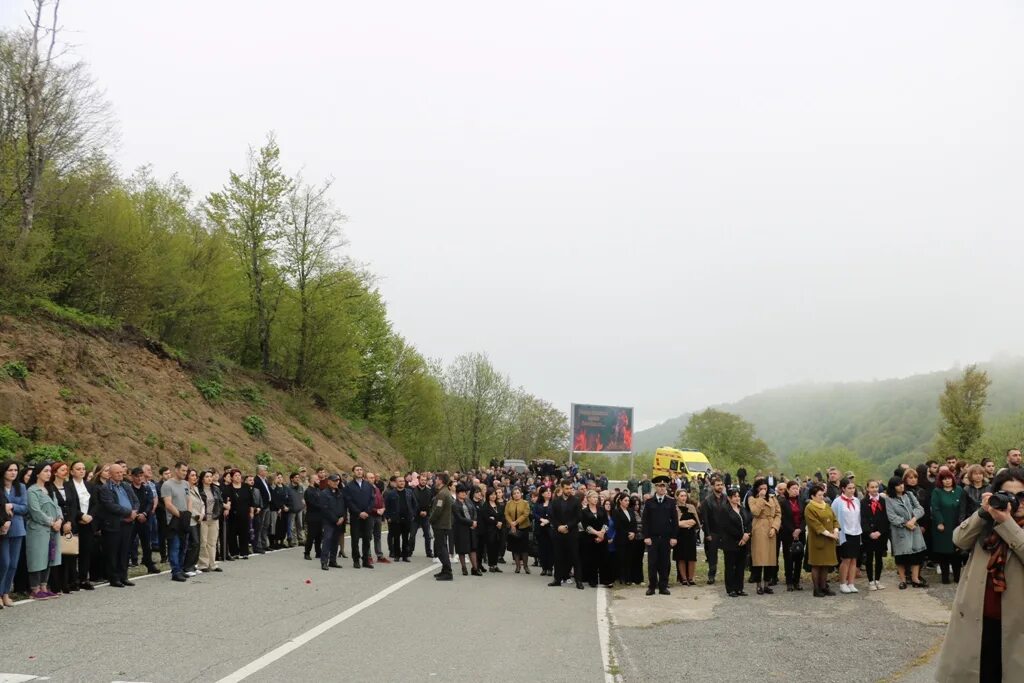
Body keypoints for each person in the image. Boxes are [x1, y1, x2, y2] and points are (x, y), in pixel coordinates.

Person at [935, 467, 1024, 682]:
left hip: (1016, 626)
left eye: (1022, 495)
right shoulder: (986, 523)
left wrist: (1007, 523)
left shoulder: (1007, 525)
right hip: (979, 621)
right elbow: (959, 540)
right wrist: (982, 512)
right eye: (1009, 495)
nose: (1017, 501)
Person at [98, 463, 139, 588]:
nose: (120, 475)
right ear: (110, 474)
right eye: (117, 473)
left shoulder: (126, 486)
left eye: (122, 472)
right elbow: (110, 506)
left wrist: (134, 512)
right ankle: (114, 578)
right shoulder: (105, 489)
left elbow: (135, 501)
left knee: (124, 551)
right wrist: (129, 512)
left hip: (128, 523)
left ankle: (123, 576)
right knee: (113, 552)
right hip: (114, 524)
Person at [25, 463, 63, 600]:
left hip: (53, 530)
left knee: (49, 557)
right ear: (37, 473)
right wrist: (51, 522)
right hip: (38, 530)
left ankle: (44, 587)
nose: (48, 473)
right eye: (45, 471)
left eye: (49, 471)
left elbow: (57, 507)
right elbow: (35, 511)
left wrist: (59, 520)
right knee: (37, 558)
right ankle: (35, 589)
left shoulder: (49, 489)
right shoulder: (32, 491)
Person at [885, 475, 927, 589]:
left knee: (916, 554)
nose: (901, 486)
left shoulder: (909, 495)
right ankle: (903, 580)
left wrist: (913, 520)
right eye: (898, 485)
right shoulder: (889, 500)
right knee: (901, 557)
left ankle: (915, 579)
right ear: (893, 487)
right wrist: (905, 523)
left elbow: (920, 509)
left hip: (914, 529)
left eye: (902, 483)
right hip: (900, 531)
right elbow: (892, 517)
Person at [642, 475, 679, 596]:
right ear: (655, 487)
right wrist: (646, 536)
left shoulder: (671, 502)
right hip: (652, 538)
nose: (662, 488)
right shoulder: (649, 502)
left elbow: (675, 521)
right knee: (652, 563)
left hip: (666, 538)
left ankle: (663, 586)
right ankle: (652, 586)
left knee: (665, 563)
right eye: (659, 486)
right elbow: (645, 521)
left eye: (664, 486)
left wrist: (674, 537)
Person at [747, 478, 781, 595]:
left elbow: (778, 513)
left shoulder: (773, 498)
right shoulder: (752, 499)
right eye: (761, 488)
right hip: (759, 527)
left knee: (770, 558)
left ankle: (767, 583)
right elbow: (755, 512)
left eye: (765, 488)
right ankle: (758, 585)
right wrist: (761, 499)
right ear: (757, 489)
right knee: (759, 558)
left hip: (771, 528)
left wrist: (775, 527)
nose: (764, 490)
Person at [67, 460, 97, 590]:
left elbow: (96, 503)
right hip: (75, 522)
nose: (81, 471)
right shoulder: (67, 485)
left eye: (83, 469)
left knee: (86, 551)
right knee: (72, 552)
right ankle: (72, 580)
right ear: (72, 471)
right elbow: (70, 505)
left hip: (88, 522)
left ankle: (84, 578)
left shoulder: (90, 485)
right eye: (78, 469)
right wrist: (80, 516)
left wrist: (90, 516)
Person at [805, 483, 839, 597]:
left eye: (822, 495)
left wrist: (835, 530)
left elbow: (834, 518)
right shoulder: (810, 508)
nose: (822, 497)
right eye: (819, 495)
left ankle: (824, 586)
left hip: (829, 540)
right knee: (816, 564)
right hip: (818, 540)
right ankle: (816, 588)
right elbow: (816, 525)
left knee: (826, 564)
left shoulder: (826, 505)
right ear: (812, 496)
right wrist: (830, 534)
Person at [930, 466, 963, 584]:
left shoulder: (959, 490)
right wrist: (939, 522)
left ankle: (957, 577)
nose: (947, 481)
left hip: (957, 524)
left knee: (956, 552)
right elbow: (935, 508)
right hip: (943, 525)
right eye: (944, 479)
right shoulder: (937, 492)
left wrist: (962, 521)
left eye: (949, 478)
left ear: (953, 479)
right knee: (944, 552)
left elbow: (962, 507)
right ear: (941, 481)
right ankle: (945, 577)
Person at [549, 478, 583, 589]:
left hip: (571, 533)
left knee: (575, 557)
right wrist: (558, 526)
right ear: (562, 488)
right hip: (558, 534)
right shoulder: (555, 501)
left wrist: (568, 526)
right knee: (558, 557)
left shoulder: (576, 501)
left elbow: (578, 517)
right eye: (567, 488)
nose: (569, 490)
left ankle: (578, 581)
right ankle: (557, 579)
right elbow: (552, 516)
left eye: (570, 488)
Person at [830, 477, 862, 594]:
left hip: (856, 532)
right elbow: (833, 517)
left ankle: (851, 583)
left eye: (853, 488)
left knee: (854, 559)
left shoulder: (856, 500)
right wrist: (836, 532)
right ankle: (843, 583)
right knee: (846, 559)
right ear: (843, 488)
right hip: (845, 533)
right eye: (849, 488)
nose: (852, 490)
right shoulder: (837, 502)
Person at [718, 486, 752, 598]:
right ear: (729, 498)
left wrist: (747, 535)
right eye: (734, 496)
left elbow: (748, 522)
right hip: (731, 542)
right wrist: (741, 536)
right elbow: (727, 526)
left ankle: (739, 588)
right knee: (730, 566)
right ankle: (731, 589)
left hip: (744, 542)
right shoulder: (724, 509)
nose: (737, 498)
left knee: (740, 566)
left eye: (738, 496)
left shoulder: (742, 509)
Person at [1, 461, 26, 607]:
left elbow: (24, 508)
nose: (13, 472)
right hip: (3, 528)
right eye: (10, 470)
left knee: (13, 564)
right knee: (4, 562)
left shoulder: (20, 487)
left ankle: (5, 593)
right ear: (3, 471)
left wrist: (11, 506)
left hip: (17, 528)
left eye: (15, 470)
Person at [161, 462, 191, 582]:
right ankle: (175, 571)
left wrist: (188, 513)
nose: (185, 473)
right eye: (183, 470)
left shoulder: (186, 484)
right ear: (176, 470)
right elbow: (168, 504)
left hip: (185, 517)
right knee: (175, 545)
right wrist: (180, 515)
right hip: (174, 519)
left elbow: (188, 499)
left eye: (186, 471)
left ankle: (181, 568)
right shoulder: (167, 485)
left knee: (184, 545)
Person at [128, 466, 158, 574]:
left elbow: (150, 502)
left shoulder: (146, 488)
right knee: (129, 543)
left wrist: (144, 513)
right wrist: (136, 515)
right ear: (132, 477)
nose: (139, 478)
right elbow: (129, 503)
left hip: (145, 519)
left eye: (141, 476)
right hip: (132, 519)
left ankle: (149, 563)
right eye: (137, 476)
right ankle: (125, 565)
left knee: (146, 543)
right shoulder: (129, 489)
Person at [860, 479, 889, 591]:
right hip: (869, 535)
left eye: (876, 487)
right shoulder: (863, 502)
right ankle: (870, 581)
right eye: (872, 487)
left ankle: (878, 580)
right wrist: (869, 532)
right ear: (867, 488)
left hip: (881, 534)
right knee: (869, 558)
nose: (874, 489)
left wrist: (880, 532)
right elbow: (863, 519)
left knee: (879, 558)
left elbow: (885, 518)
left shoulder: (883, 501)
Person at [345, 465, 375, 569]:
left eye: (361, 470)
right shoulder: (349, 486)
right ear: (353, 472)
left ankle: (366, 560)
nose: (359, 471)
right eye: (357, 470)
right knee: (355, 539)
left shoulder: (368, 485)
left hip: (367, 516)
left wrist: (367, 511)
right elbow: (349, 501)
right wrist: (358, 512)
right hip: (356, 517)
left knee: (367, 538)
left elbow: (372, 500)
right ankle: (356, 560)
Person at [580, 490, 612, 588]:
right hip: (590, 539)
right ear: (588, 499)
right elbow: (586, 526)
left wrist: (601, 533)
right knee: (591, 560)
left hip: (602, 538)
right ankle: (592, 580)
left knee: (604, 559)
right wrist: (596, 533)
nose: (595, 499)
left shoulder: (601, 509)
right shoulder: (584, 511)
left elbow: (606, 522)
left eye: (596, 498)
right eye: (593, 497)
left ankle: (605, 580)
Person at [699, 476, 727, 585]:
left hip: (725, 532)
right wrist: (707, 533)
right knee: (712, 556)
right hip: (713, 532)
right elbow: (704, 519)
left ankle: (729, 576)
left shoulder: (726, 498)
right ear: (712, 486)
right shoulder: (707, 500)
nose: (720, 487)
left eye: (721, 485)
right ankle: (711, 576)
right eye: (718, 485)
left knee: (728, 554)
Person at [778, 480, 804, 591]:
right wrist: (793, 530)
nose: (795, 490)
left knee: (799, 557)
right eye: (793, 488)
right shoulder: (783, 502)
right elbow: (783, 519)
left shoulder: (802, 501)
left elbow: (804, 517)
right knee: (788, 557)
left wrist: (800, 529)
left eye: (797, 488)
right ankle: (789, 581)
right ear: (788, 490)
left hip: (800, 533)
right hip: (788, 534)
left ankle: (796, 581)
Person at [197, 470, 223, 573]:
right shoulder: (198, 490)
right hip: (203, 519)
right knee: (203, 542)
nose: (209, 478)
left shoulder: (216, 489)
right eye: (207, 476)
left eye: (211, 476)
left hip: (214, 518)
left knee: (212, 542)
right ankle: (203, 564)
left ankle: (213, 564)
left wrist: (218, 513)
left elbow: (220, 503)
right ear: (202, 479)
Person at [384, 475, 415, 562]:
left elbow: (414, 504)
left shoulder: (409, 492)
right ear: (396, 483)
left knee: (405, 538)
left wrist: (412, 514)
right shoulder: (391, 494)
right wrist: (388, 517)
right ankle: (397, 555)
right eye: (400, 481)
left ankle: (405, 556)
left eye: (403, 481)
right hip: (395, 519)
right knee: (396, 538)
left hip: (407, 518)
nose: (402, 483)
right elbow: (386, 506)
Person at [453, 484, 482, 576]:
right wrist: (471, 522)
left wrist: (474, 521)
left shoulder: (468, 501)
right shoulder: (455, 504)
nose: (463, 494)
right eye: (461, 492)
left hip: (471, 528)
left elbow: (474, 511)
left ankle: (475, 568)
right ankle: (464, 568)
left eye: (465, 492)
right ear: (457, 493)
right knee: (462, 549)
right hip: (461, 529)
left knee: (473, 548)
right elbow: (459, 518)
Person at [319, 474, 346, 570]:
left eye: (338, 481)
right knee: (327, 540)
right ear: (329, 481)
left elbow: (343, 506)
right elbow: (325, 509)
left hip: (339, 521)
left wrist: (342, 517)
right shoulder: (324, 493)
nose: (336, 482)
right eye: (334, 481)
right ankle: (324, 562)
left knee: (335, 541)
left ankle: (333, 561)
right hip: (329, 521)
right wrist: (335, 519)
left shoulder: (340, 493)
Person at [674, 489, 700, 586]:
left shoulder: (691, 507)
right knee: (681, 557)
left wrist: (684, 523)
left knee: (691, 558)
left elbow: (695, 522)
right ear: (677, 496)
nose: (684, 498)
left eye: (685, 496)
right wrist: (685, 523)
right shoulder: (674, 508)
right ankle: (684, 579)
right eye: (681, 496)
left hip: (690, 536)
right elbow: (676, 524)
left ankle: (691, 578)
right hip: (680, 536)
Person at [430, 473, 453, 581]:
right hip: (443, 524)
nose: (435, 480)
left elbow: (438, 510)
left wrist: (431, 519)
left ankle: (448, 571)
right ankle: (444, 570)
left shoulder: (442, 494)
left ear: (441, 481)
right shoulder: (444, 492)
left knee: (441, 548)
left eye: (437, 479)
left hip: (440, 524)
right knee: (442, 546)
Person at [504, 486, 531, 574]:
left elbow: (525, 514)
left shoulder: (525, 503)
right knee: (515, 548)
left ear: (521, 494)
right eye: (514, 493)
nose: (516, 495)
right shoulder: (508, 503)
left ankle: (526, 566)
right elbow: (506, 514)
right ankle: (517, 566)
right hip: (513, 528)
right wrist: (511, 523)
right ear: (512, 495)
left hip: (523, 527)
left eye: (518, 493)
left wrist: (516, 522)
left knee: (524, 548)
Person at [183, 469, 204, 576]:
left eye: (196, 475)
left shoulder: (195, 488)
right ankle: (187, 567)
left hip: (199, 519)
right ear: (187, 477)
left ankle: (193, 565)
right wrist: (196, 515)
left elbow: (201, 503)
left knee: (197, 543)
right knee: (194, 543)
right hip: (191, 519)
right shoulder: (185, 489)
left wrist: (202, 514)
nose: (195, 477)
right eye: (192, 475)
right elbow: (187, 505)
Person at [532, 485, 554, 576]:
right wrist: (541, 519)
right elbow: (534, 513)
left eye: (550, 491)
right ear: (542, 493)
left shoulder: (554, 503)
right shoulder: (538, 503)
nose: (549, 492)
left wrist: (548, 521)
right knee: (542, 549)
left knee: (550, 549)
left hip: (550, 529)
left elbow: (556, 514)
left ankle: (550, 568)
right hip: (540, 529)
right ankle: (544, 568)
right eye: (546, 491)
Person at [411, 475, 434, 558]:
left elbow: (431, 504)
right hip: (416, 517)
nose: (423, 481)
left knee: (428, 535)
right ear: (418, 480)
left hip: (426, 516)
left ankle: (429, 552)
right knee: (412, 535)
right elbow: (413, 504)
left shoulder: (429, 491)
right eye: (422, 480)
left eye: (425, 480)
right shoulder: (413, 491)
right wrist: (418, 512)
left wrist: (426, 512)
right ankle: (410, 550)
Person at [302, 472, 322, 560]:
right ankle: (307, 552)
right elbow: (312, 504)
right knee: (311, 536)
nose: (319, 481)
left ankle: (318, 552)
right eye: (317, 479)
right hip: (312, 516)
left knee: (319, 536)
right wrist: (323, 506)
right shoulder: (308, 491)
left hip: (320, 516)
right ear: (312, 481)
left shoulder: (318, 490)